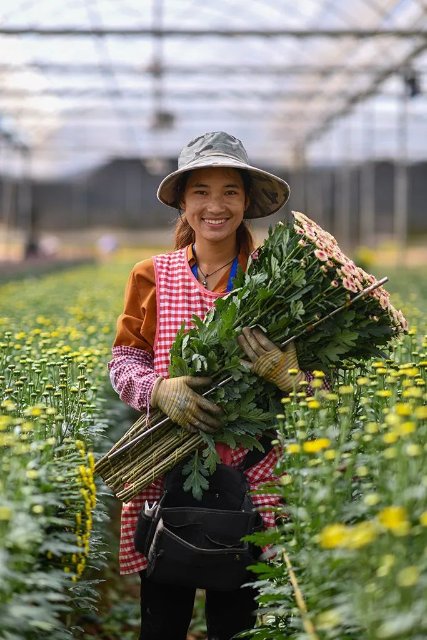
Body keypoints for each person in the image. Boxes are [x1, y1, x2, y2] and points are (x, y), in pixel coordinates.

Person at [108, 131, 304, 640]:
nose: (215, 206)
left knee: (236, 625)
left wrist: (292, 378)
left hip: (255, 478)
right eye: (201, 191)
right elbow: (124, 359)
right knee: (163, 621)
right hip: (167, 472)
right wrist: (156, 390)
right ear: (182, 201)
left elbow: (323, 391)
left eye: (230, 192)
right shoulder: (151, 275)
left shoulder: (282, 281)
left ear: (247, 203)